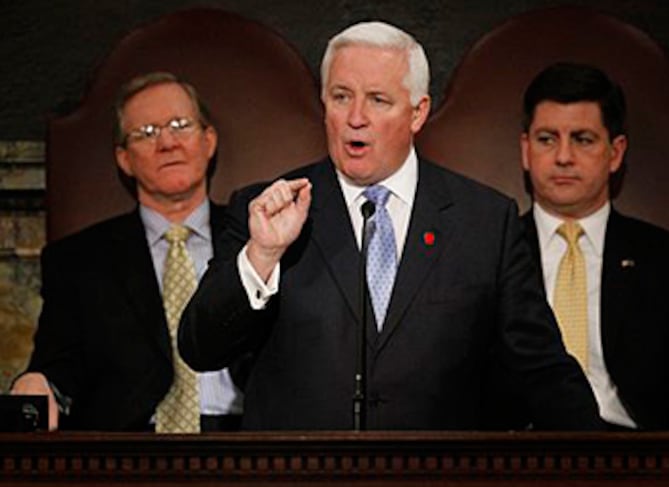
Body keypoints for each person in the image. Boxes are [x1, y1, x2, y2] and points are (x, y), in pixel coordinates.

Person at [178, 22, 604, 431]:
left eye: (378, 100)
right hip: (301, 483)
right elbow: (202, 347)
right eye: (341, 96)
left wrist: (611, 472)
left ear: (418, 113)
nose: (355, 117)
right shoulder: (267, 210)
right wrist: (262, 255)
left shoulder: (484, 221)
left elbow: (540, 368)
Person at [519, 62, 669, 430]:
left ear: (615, 152)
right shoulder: (486, 251)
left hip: (638, 458)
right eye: (547, 139)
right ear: (526, 150)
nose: (563, 156)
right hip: (513, 457)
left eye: (582, 139)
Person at [11, 72, 246, 432]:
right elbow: (57, 368)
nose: (167, 142)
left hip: (251, 446)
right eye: (147, 133)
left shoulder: (258, 237)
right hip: (126, 454)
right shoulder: (78, 261)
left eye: (180, 125)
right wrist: (36, 383)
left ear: (208, 140)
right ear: (124, 158)